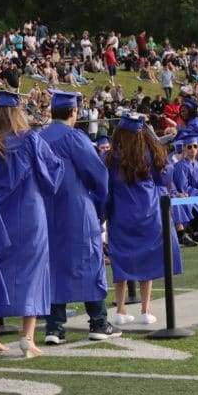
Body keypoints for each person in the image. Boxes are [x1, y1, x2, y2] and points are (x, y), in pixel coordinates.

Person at [0, 90, 64, 356]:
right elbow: (52, 175)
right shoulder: (30, 141)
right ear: (17, 113)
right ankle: (27, 338)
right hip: (28, 216)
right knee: (32, 273)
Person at [37, 90, 118, 344]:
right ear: (73, 112)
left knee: (52, 265)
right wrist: (99, 204)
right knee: (89, 260)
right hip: (76, 210)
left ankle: (54, 327)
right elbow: (98, 174)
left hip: (44, 211)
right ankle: (98, 321)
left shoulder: (37, 139)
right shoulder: (75, 138)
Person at [105, 113, 181, 324]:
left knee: (121, 260)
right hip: (149, 213)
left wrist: (104, 213)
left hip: (121, 215)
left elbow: (107, 190)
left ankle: (120, 310)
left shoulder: (111, 158)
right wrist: (166, 157)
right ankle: (145, 310)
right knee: (147, 259)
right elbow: (164, 178)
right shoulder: (150, 154)